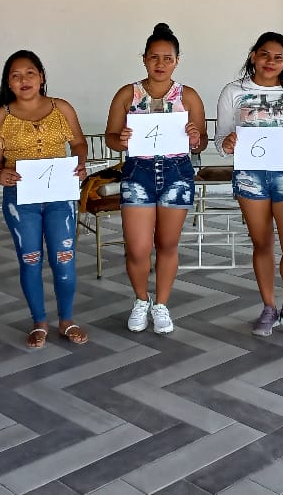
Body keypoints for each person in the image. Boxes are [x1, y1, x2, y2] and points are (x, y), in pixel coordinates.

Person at [104, 23, 207, 334]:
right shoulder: (128, 94)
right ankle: (141, 299)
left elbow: (201, 142)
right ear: (144, 59)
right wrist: (120, 140)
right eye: (154, 57)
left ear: (177, 61)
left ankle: (161, 304)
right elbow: (111, 137)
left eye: (167, 58)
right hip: (138, 173)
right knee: (137, 248)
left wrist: (195, 138)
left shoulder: (188, 96)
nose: (160, 64)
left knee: (167, 244)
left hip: (177, 173)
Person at [215, 32, 283, 339]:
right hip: (251, 176)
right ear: (253, 56)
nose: (270, 62)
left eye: (278, 57)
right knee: (262, 244)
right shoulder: (233, 91)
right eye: (264, 55)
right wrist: (227, 143)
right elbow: (221, 139)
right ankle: (269, 307)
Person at [0, 50, 90, 348]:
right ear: (8, 82)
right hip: (21, 198)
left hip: (60, 195)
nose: (24, 80)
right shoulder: (0, 117)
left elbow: (78, 142)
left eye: (30, 73)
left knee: (64, 258)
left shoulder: (61, 108)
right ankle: (39, 322)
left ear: (41, 76)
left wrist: (80, 162)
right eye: (16, 75)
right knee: (30, 260)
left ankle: (66, 320)